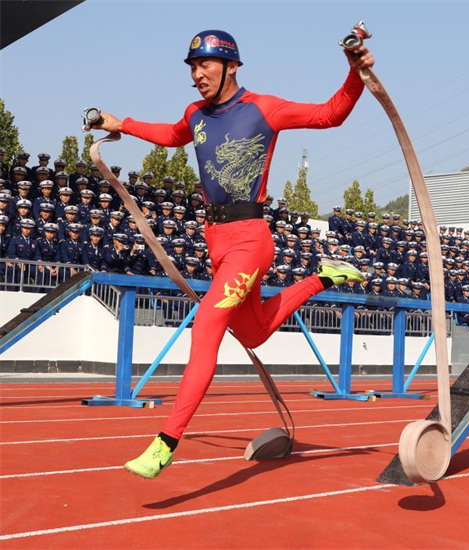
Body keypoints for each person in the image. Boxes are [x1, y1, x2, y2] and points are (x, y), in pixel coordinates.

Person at [90, 29, 374, 478]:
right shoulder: (195, 113)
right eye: (191, 66)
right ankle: (324, 278)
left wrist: (354, 74)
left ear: (231, 66)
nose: (196, 73)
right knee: (255, 332)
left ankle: (165, 443)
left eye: (204, 64)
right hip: (216, 243)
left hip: (250, 240)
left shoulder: (263, 108)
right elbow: (171, 135)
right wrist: (119, 123)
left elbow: (329, 115)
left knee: (207, 326)